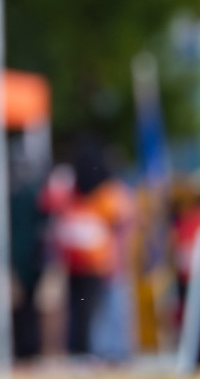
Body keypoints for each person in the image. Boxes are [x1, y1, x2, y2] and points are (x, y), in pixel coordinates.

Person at [43, 139, 134, 360]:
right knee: (109, 308)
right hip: (107, 261)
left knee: (81, 309)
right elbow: (125, 220)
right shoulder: (111, 192)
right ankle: (112, 351)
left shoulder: (72, 190)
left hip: (78, 261)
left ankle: (84, 349)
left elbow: (51, 208)